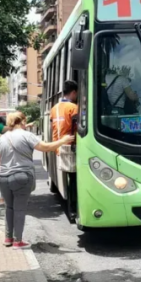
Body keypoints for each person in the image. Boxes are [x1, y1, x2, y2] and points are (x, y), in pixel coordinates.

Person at [0, 112, 74, 249]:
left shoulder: (2, 139)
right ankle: (18, 241)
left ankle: (8, 238)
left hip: (2, 178)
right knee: (19, 209)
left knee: (9, 208)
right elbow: (45, 148)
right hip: (21, 176)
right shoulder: (27, 135)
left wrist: (0, 175)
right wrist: (63, 141)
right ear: (23, 121)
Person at [51, 80, 79, 220]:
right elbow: (77, 128)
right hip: (72, 147)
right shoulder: (73, 108)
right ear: (73, 92)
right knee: (74, 180)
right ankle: (73, 210)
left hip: (60, 147)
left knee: (70, 179)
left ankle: (71, 209)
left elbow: (54, 129)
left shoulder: (54, 108)